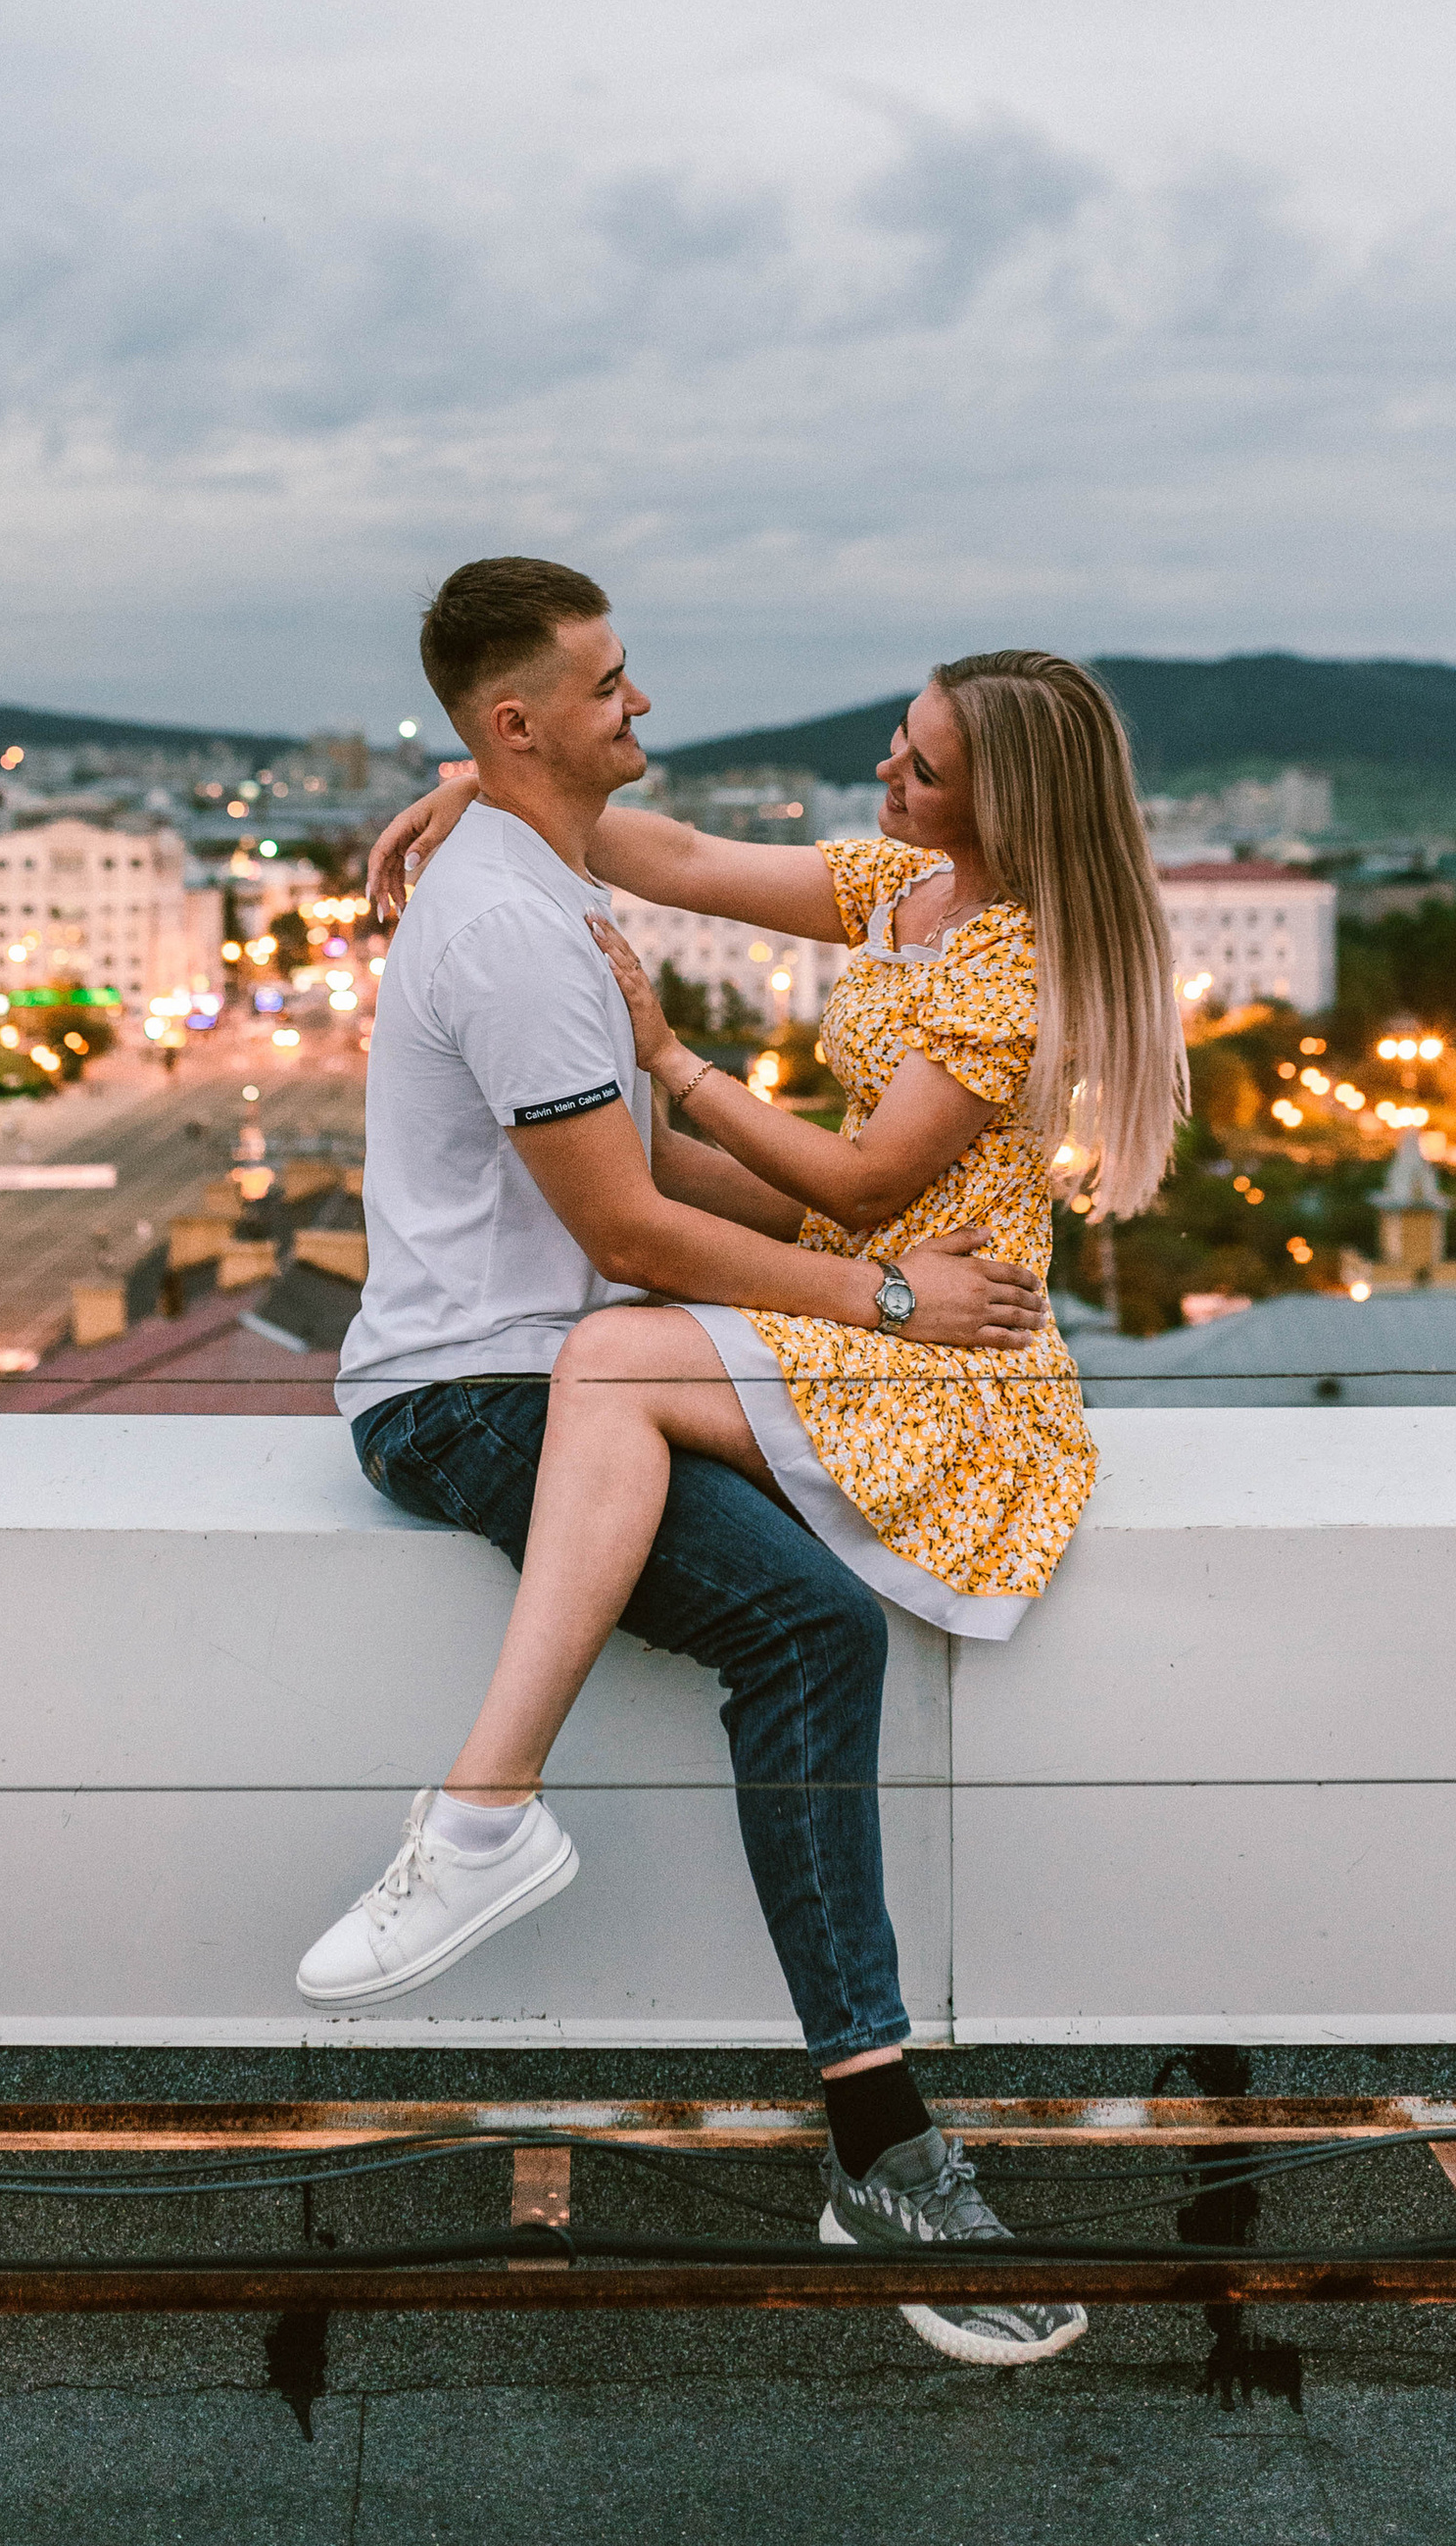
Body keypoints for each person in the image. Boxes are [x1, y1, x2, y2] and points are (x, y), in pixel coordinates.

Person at [297, 560, 1178, 2366]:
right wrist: (482, 780)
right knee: (759, 1560)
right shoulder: (873, 894)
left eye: (919, 764)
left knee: (765, 1565)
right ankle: (859, 2129)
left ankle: (490, 1818)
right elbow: (673, 867)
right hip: (609, 1359)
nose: (884, 773)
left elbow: (840, 1193)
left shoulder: (1001, 955)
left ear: (999, 804)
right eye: (901, 746)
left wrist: (680, 1062)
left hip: (938, 1340)